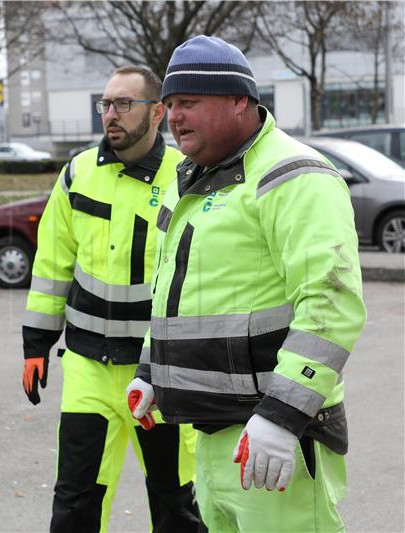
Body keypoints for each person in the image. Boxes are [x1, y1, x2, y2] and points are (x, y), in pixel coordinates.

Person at [126, 35, 367, 532]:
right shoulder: (190, 177)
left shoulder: (292, 174)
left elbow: (330, 303)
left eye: (189, 102)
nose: (174, 117)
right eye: (170, 104)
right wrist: (151, 372)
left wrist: (281, 416)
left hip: (277, 441)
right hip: (215, 438)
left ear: (240, 101)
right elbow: (173, 292)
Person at [22, 65, 202, 532]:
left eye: (124, 103)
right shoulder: (78, 173)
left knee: (175, 505)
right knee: (75, 505)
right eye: (106, 104)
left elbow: (203, 276)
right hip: (88, 368)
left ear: (158, 112)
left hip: (161, 371)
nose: (110, 114)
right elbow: (52, 263)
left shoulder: (187, 176)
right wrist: (36, 344)